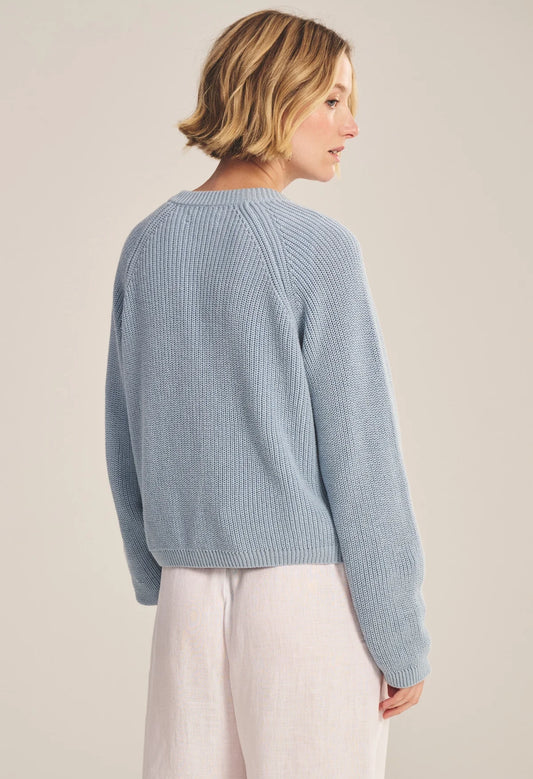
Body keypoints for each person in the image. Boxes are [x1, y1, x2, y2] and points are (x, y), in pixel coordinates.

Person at [104, 9, 432, 778]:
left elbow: (126, 434)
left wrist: (160, 572)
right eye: (331, 99)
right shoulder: (317, 250)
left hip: (186, 598)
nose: (350, 124)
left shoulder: (147, 244)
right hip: (305, 603)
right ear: (273, 94)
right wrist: (400, 635)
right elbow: (362, 456)